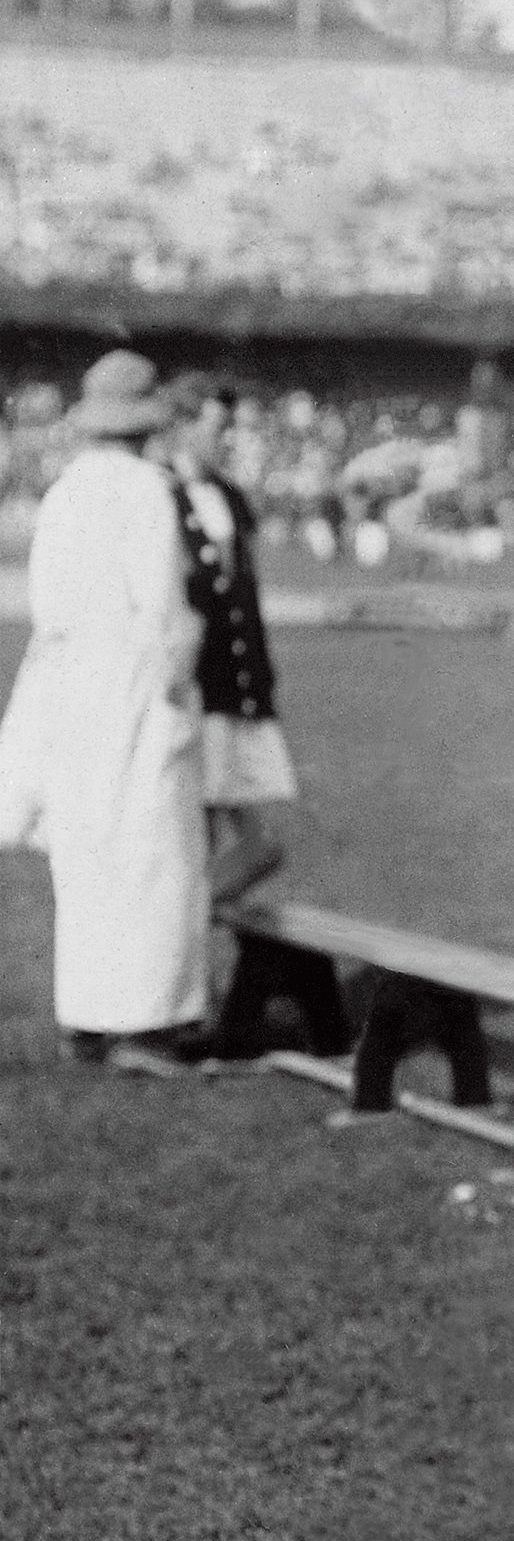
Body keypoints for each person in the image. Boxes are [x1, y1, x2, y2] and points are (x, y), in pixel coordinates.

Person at [0, 349, 209, 1065]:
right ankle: (144, 1021)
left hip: (69, 683)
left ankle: (87, 1014)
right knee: (152, 853)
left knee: (87, 853)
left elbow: (48, 605)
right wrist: (178, 685)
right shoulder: (149, 490)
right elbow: (161, 606)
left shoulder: (64, 491)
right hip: (131, 681)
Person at [163, 373, 296, 901]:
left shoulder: (229, 496)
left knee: (259, 844)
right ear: (182, 425)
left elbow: (247, 597)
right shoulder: (162, 494)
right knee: (198, 840)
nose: (226, 440)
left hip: (236, 689)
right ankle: (186, 950)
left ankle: (189, 930)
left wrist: (259, 683)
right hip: (196, 688)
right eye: (216, 427)